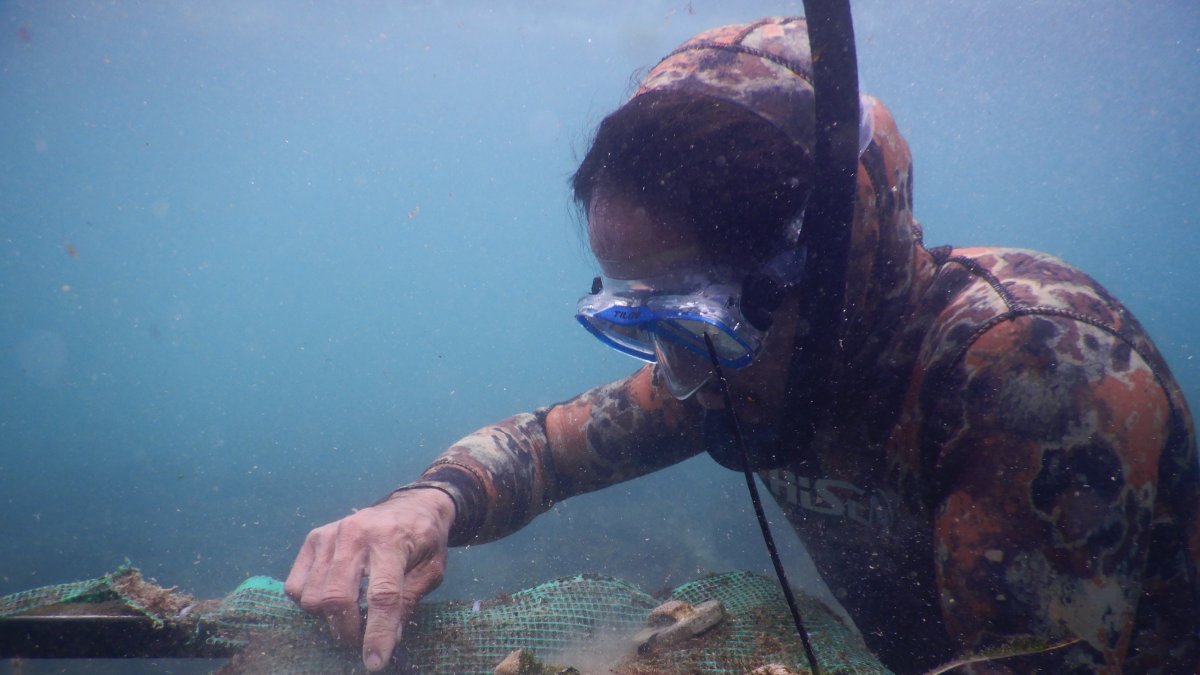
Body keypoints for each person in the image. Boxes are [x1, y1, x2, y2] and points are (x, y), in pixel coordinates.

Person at [285, 17, 1199, 674]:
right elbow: (546, 448)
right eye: (638, 323)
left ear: (825, 270)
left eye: (691, 324)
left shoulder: (1033, 372)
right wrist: (425, 503)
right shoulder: (754, 363)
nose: (674, 377)